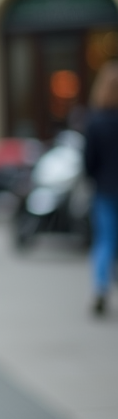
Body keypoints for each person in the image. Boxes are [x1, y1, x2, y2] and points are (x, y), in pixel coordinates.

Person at [84, 60, 118, 316]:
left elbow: (89, 160)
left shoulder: (95, 121)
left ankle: (100, 287)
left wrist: (93, 178)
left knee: (104, 240)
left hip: (105, 188)